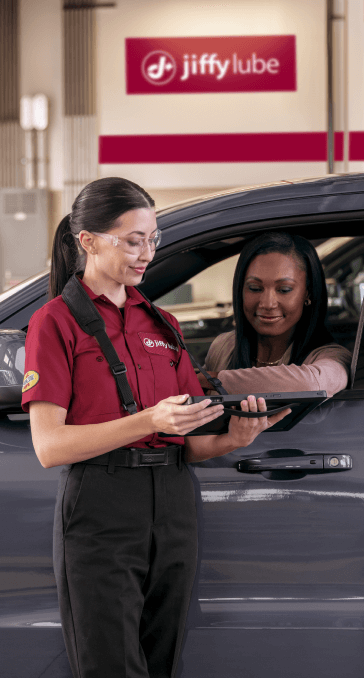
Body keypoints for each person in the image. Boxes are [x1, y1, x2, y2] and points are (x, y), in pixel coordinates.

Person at [21, 178, 291, 678]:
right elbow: (50, 446)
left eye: (153, 239)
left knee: (162, 663)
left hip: (172, 501)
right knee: (111, 667)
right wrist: (149, 419)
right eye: (132, 240)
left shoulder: (162, 324)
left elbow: (186, 442)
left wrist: (233, 438)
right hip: (101, 505)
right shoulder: (55, 322)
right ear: (88, 240)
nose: (147, 253)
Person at [198, 231, 351, 397]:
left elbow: (310, 384)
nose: (267, 304)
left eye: (284, 290)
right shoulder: (224, 347)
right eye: (255, 288)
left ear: (308, 293)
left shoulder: (334, 357)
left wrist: (213, 380)